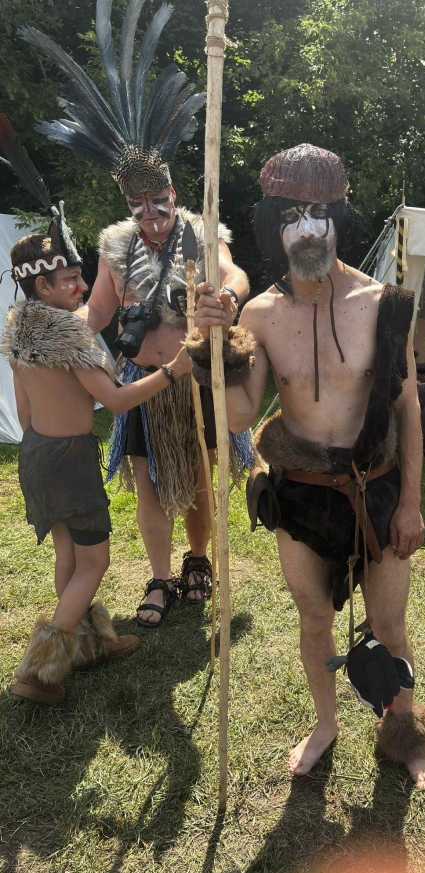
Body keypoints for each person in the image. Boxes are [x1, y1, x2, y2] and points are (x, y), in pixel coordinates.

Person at [188, 144, 425, 790]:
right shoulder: (259, 315)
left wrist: (410, 501)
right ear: (272, 227)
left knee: (389, 624)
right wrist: (210, 348)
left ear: (338, 220)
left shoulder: (383, 303)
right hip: (300, 496)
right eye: (291, 217)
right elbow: (239, 415)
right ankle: (325, 723)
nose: (306, 230)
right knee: (313, 619)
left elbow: (408, 408)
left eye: (319, 214)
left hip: (376, 490)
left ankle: (404, 731)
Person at [23, 0, 250, 627]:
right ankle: (158, 577)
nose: (150, 215)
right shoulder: (116, 245)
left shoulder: (201, 228)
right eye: (138, 205)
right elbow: (96, 311)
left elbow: (232, 271)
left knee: (199, 478)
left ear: (173, 193)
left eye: (157, 202)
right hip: (143, 382)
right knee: (148, 483)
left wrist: (229, 296)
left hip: (193, 376)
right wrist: (49, 335)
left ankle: (198, 562)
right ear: (128, 204)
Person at [1, 225, 192, 705]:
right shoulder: (70, 335)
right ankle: (41, 670)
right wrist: (173, 371)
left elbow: (24, 412)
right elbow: (117, 400)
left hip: (36, 454)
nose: (84, 287)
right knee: (95, 561)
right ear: (42, 285)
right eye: (71, 279)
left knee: (68, 554)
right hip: (69, 460)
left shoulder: (17, 328)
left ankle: (90, 644)